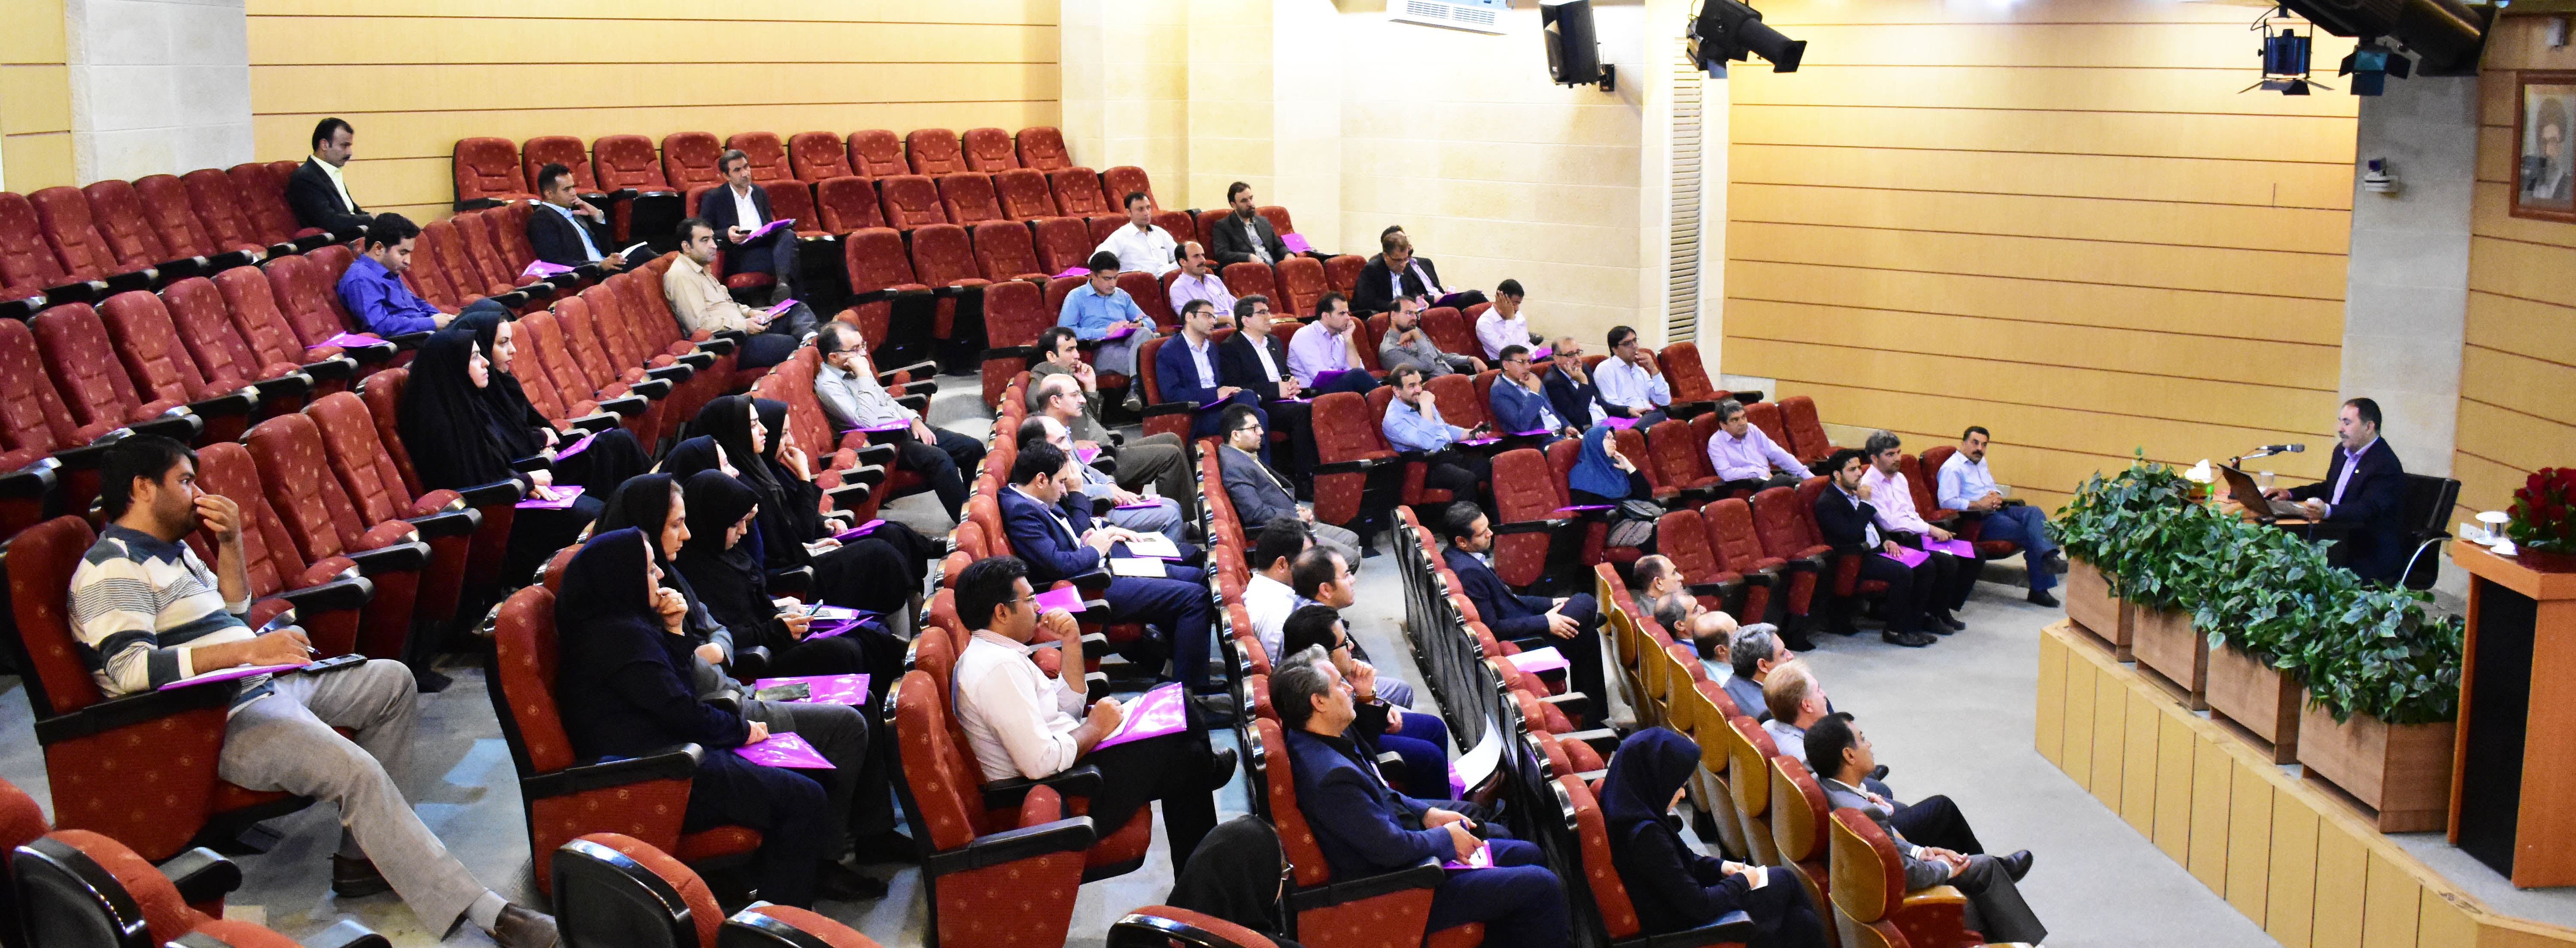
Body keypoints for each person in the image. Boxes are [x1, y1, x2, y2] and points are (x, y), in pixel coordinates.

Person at [68, 436, 558, 948]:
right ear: (143, 488)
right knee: (357, 772)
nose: (198, 495)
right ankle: (488, 912)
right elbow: (131, 669)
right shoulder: (113, 567)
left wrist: (231, 544)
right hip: (213, 722)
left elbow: (233, 618)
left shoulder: (175, 551)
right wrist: (248, 652)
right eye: (185, 481)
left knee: (391, 683)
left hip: (260, 685)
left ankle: (363, 860)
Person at [595, 478, 901, 888]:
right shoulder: (636, 595)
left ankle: (872, 833)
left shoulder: (666, 576)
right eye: (676, 525)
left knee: (861, 699)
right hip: (729, 705)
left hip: (738, 691)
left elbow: (718, 630)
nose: (687, 534)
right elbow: (679, 686)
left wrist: (712, 648)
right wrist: (691, 644)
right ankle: (824, 861)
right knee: (847, 723)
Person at [553, 530, 861, 908]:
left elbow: (676, 691)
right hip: (659, 770)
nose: (661, 575)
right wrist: (741, 730)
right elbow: (681, 710)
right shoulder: (618, 639)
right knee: (804, 797)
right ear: (622, 579)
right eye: (649, 570)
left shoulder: (621, 624)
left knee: (807, 779)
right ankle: (781, 923)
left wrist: (675, 630)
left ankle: (769, 897)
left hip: (674, 749)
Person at [950, 556, 1232, 872]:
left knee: (1188, 756)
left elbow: (1064, 710)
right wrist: (1096, 728)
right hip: (1064, 793)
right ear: (1001, 612)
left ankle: (1200, 882)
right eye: (1030, 600)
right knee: (1180, 705)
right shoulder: (997, 668)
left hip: (1069, 767)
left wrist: (1072, 642)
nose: (1039, 607)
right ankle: (1210, 774)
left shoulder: (1001, 653)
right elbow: (1040, 762)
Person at [1273, 648, 1568, 948]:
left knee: (1526, 854)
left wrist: (1428, 814)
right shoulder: (1330, 778)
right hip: (1399, 888)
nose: (1349, 688)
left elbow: (1382, 791)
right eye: (1340, 685)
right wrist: (1446, 839)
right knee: (1542, 886)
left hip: (1406, 857)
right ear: (1319, 702)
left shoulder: (1320, 738)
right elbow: (1391, 849)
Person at [662, 397, 937, 618]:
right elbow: (774, 552)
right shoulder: (738, 492)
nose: (765, 431)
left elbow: (791, 534)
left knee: (890, 534)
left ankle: (923, 600)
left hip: (800, 559)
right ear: (735, 432)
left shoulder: (759, 468)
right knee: (880, 555)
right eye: (755, 425)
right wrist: (805, 480)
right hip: (793, 579)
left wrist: (818, 531)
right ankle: (915, 628)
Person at [998, 442, 1221, 704]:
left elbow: (1072, 530)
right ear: (1040, 480)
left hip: (1097, 566)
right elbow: (1057, 565)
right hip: (1087, 586)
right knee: (1194, 599)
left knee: (1197, 578)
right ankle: (1190, 698)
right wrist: (1095, 550)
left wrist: (1096, 533)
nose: (1065, 490)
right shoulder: (1021, 512)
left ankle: (1177, 672)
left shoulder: (1035, 497)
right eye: (1061, 482)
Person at [1807, 715, 2044, 944]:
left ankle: (2015, 939)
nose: (1869, 745)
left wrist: (1921, 851)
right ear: (1849, 755)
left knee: (1984, 868)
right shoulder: (1866, 813)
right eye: (1862, 739)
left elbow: (1886, 845)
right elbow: (1903, 874)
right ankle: (2024, 943)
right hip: (1897, 904)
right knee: (1983, 882)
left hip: (1864, 892)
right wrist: (1944, 867)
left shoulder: (1824, 785)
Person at [398, 328, 608, 582]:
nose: (485, 362)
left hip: (510, 500)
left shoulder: (468, 404)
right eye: (475, 357)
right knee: (593, 516)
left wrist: (523, 481)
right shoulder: (438, 425)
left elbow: (492, 467)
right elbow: (469, 486)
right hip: (494, 523)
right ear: (452, 367)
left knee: (597, 508)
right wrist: (524, 481)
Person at [1600, 728, 1823, 947]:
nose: (1683, 794)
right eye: (1678, 786)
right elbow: (1699, 905)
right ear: (1656, 781)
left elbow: (1679, 863)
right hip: (1682, 929)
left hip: (1677, 909)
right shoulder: (1646, 835)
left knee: (1801, 922)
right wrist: (1742, 881)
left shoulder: (1628, 806)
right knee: (1785, 880)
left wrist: (1722, 867)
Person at [1758, 661, 1988, 857]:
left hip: (1845, 812)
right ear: (1807, 705)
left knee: (1889, 795)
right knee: (1942, 809)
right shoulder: (1808, 757)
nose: (1824, 694)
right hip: (1861, 830)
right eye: (1818, 691)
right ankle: (1979, 867)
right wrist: (1871, 801)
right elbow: (1837, 796)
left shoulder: (1769, 726)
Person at [447, 306, 652, 523]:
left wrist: (540, 439)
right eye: (503, 343)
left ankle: (659, 508)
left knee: (619, 440)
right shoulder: (471, 401)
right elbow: (503, 451)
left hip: (539, 465)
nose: (513, 350)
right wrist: (538, 441)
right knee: (597, 500)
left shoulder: (504, 383)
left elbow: (529, 428)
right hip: (524, 479)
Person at [1439, 505, 1605, 722]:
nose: (1491, 534)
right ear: (1462, 541)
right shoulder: (1468, 572)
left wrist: (1550, 603)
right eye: (1483, 533)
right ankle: (1593, 719)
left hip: (1525, 625)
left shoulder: (1456, 556)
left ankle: (1592, 720)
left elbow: (1509, 599)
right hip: (1526, 645)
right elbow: (1493, 628)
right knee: (1586, 602)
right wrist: (1546, 622)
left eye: (1488, 527)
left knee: (1587, 635)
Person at [813, 320, 979, 522]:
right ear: (834, 356)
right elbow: (867, 423)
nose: (863, 354)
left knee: (973, 448)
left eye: (863, 346)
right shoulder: (829, 386)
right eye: (855, 349)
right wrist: (864, 375)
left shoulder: (855, 366)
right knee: (940, 460)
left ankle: (979, 508)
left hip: (902, 427)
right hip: (882, 442)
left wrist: (914, 419)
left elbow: (887, 401)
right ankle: (970, 523)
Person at [1281, 605, 1449, 798]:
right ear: (1323, 654)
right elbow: (1358, 742)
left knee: (1434, 728)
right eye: (1345, 643)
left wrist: (1372, 700)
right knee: (1429, 757)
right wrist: (1367, 698)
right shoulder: (1315, 692)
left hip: (1356, 728)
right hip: (1349, 744)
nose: (1352, 646)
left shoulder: (1317, 673)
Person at [2266, 397, 2409, 583]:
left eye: (2347, 423)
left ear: (2369, 427)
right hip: (2336, 538)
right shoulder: (2342, 453)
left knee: (2297, 568)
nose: (2340, 429)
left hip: (2366, 551)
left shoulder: (2385, 464)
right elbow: (2330, 488)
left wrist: (2327, 511)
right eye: (2340, 421)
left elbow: (2366, 510)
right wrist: (2291, 494)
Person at [1814, 448, 1940, 648]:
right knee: (1903, 573)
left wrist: (1886, 540)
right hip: (1856, 558)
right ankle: (1895, 630)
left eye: (1859, 468)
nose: (1859, 474)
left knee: (1927, 566)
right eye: (1852, 470)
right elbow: (1852, 533)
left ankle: (1913, 626)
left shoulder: (1855, 492)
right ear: (1837, 475)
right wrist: (1865, 502)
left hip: (1877, 549)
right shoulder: (1828, 502)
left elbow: (1873, 523)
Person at [1937, 426, 2068, 607]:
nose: (1980, 449)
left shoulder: (1980, 462)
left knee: (2034, 512)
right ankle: (2040, 588)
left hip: (1996, 510)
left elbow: (1991, 486)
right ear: (1963, 443)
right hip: (1977, 520)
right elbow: (1947, 502)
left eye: (1984, 445)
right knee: (2030, 533)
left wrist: (1996, 496)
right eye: (1975, 443)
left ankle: (2049, 558)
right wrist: (1978, 504)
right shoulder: (1952, 469)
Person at [1218, 404, 1364, 565]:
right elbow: (1256, 513)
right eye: (1254, 428)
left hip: (1290, 521)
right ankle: (1315, 580)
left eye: (1259, 426)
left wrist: (1296, 510)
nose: (1261, 432)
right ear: (1236, 435)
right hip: (1282, 535)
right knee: (1350, 558)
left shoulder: (1243, 455)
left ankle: (1326, 579)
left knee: (1350, 539)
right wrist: (1295, 516)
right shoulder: (1235, 466)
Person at [666, 218, 818, 370]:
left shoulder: (702, 267)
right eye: (705, 241)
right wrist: (743, 325)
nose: (714, 245)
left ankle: (814, 344)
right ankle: (817, 355)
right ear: (686, 246)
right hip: (731, 343)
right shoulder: (682, 275)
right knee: (792, 345)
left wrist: (750, 312)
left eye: (712, 239)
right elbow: (700, 327)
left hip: (745, 328)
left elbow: (729, 304)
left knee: (797, 309)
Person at [1860, 431, 1975, 632]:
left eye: (1899, 453)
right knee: (1942, 563)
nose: (1897, 459)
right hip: (1896, 539)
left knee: (1971, 555)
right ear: (1875, 459)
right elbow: (1889, 523)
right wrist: (1929, 529)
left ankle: (1940, 612)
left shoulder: (1900, 478)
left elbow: (1911, 513)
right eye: (1890, 455)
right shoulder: (1869, 484)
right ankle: (1924, 617)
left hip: (1915, 534)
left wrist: (1928, 531)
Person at [1028, 365, 1193, 501]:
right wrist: (1109, 489)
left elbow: (1090, 422)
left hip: (1108, 449)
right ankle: (1184, 519)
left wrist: (1091, 387)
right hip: (1104, 460)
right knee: (1170, 455)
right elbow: (1077, 480)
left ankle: (1191, 507)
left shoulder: (1067, 407)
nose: (1082, 400)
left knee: (1172, 438)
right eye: (1075, 395)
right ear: (1056, 401)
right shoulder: (1050, 434)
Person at [1019, 414, 1189, 545]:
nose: (1069, 446)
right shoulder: (1046, 474)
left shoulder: (1060, 450)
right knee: (1171, 515)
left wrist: (1111, 485)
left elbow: (1087, 469)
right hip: (1098, 507)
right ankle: (1169, 567)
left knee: (1173, 505)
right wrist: (1109, 493)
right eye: (1061, 440)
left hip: (1102, 495)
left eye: (1066, 438)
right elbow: (1072, 495)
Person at [1290, 546, 1416, 711]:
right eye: (1346, 576)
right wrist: (1371, 700)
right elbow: (1334, 690)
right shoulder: (1316, 625)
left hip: (1339, 688)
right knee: (1425, 721)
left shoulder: (1309, 609)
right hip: (1332, 705)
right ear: (1326, 589)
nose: (1353, 580)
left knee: (1401, 690)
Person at [337, 213, 496, 336]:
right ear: (379, 248)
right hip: (413, 341)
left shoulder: (388, 271)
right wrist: (431, 323)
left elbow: (416, 304)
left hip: (427, 333)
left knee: (488, 310)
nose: (408, 261)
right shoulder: (361, 278)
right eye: (403, 253)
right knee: (488, 317)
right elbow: (379, 326)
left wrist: (443, 318)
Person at [1217, 295, 1316, 483]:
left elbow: (1283, 374)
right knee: (1303, 412)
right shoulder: (1231, 347)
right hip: (1260, 403)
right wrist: (1275, 390)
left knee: (1319, 407)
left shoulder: (1274, 342)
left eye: (1268, 312)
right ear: (1246, 320)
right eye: (1262, 313)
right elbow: (1237, 388)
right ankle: (1305, 480)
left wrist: (1291, 384)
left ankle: (1325, 472)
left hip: (1285, 400)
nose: (1269, 317)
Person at [1379, 364, 1491, 511]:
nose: (1419, 390)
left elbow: (1443, 429)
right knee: (1467, 479)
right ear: (1397, 391)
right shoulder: (1394, 419)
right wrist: (1426, 406)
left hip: (1451, 455)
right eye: (1412, 386)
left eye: (1420, 384)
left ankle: (1498, 523)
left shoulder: (1420, 402)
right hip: (1426, 466)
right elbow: (1427, 443)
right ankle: (1462, 525)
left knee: (1492, 467)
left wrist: (1471, 433)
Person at [1058, 252, 1158, 410]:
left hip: (1129, 342)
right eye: (1107, 279)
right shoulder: (1076, 297)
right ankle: (1141, 392)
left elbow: (1150, 323)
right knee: (1150, 360)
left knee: (1145, 333)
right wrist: (1104, 331)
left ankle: (1135, 391)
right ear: (1093, 275)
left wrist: (1138, 324)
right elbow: (1065, 333)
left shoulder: (1122, 296)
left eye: (1116, 278)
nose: (1113, 284)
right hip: (1102, 350)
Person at [694, 149, 797, 302]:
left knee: (788, 235)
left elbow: (767, 224)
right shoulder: (714, 197)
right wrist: (727, 234)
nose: (745, 173)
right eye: (737, 170)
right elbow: (702, 233)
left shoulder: (759, 192)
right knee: (791, 259)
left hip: (764, 244)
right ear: (726, 176)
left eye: (746, 167)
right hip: (738, 252)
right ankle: (791, 298)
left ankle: (783, 286)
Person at [1154, 298, 1262, 438]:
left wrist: (1230, 391)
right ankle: (1254, 451)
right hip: (1197, 414)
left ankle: (1251, 450)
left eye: (1214, 317)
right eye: (1208, 316)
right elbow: (1173, 395)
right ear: (1189, 317)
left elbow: (1221, 381)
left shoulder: (1211, 348)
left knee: (1247, 396)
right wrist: (1214, 395)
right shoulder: (1170, 351)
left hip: (1220, 407)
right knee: (1256, 418)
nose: (1213, 322)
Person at [1567, 423, 1658, 553]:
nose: (1614, 441)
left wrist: (1629, 467)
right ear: (1595, 444)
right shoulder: (1581, 473)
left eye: (1613, 438)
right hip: (1612, 527)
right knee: (1659, 533)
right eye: (1607, 438)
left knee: (1674, 522)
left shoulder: (1616, 467)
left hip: (1637, 516)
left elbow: (1645, 495)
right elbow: (1585, 510)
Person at [526, 162, 628, 272]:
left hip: (605, 267)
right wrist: (599, 266)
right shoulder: (542, 220)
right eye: (567, 189)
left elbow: (607, 249)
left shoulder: (576, 211)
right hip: (590, 274)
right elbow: (555, 262)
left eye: (573, 187)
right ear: (549, 194)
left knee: (640, 256)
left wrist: (597, 216)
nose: (574, 193)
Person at [1355, 228, 1481, 315]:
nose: (1403, 264)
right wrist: (1400, 307)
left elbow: (1411, 292)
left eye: (1405, 259)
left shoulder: (1406, 266)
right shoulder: (1373, 269)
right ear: (1386, 256)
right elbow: (1367, 303)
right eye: (1398, 260)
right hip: (1384, 314)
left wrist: (1418, 300)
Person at [1242, 517, 1313, 662]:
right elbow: (1295, 670)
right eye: (1308, 561)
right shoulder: (1279, 615)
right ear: (1282, 565)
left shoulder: (1262, 587)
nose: (1315, 567)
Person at [1705, 398, 1805, 495]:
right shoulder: (1716, 442)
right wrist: (1759, 472)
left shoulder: (1752, 430)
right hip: (1747, 487)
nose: (1743, 423)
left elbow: (1778, 454)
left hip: (1768, 482)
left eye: (1743, 417)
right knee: (1784, 481)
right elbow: (1726, 474)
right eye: (1735, 420)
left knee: (1803, 484)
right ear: (1723, 425)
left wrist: (1806, 474)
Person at [1286, 293, 1379, 396]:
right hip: (1312, 392)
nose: (1348, 318)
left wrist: (1348, 338)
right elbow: (1319, 376)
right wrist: (1350, 375)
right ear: (1326, 316)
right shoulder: (1305, 335)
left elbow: (1358, 368)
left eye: (1348, 313)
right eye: (1342, 313)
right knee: (1359, 377)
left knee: (1360, 378)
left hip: (1336, 387)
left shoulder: (1340, 338)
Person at [289, 117, 368, 235]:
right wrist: (371, 219)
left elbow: (351, 212)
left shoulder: (332, 172)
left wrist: (380, 219)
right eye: (344, 146)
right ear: (325, 145)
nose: (350, 153)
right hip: (337, 240)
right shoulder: (305, 178)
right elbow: (330, 221)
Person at [1378, 295, 1482, 377]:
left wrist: (1471, 359)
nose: (1415, 318)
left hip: (1451, 377)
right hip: (1432, 389)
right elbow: (1428, 366)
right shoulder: (1390, 350)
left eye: (1416, 314)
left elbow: (1440, 356)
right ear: (1393, 316)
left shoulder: (1414, 330)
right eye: (1409, 313)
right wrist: (1417, 337)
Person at [1489, 345, 1575, 443]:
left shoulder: (1532, 378)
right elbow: (1521, 425)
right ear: (1506, 365)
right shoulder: (1500, 391)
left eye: (1529, 362)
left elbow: (1550, 408)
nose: (1528, 367)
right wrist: (1534, 393)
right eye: (1522, 362)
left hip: (1561, 435)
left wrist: (1567, 426)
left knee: (1588, 438)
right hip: (1540, 442)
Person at [1596, 325, 1671, 425]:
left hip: (1649, 416)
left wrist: (1654, 369)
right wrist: (1632, 411)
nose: (1635, 346)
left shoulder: (1640, 371)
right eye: (1628, 344)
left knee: (1677, 427)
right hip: (1625, 419)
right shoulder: (1606, 369)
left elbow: (1664, 401)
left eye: (1635, 341)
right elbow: (1611, 404)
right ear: (1615, 350)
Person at [1094, 190, 1179, 276]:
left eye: (1148, 208)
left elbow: (1179, 256)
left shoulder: (1160, 232)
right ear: (1128, 213)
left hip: (1167, 279)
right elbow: (1098, 259)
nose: (1147, 213)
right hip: (1142, 281)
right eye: (1141, 209)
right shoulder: (1121, 236)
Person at [1542, 337, 1619, 429]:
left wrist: (1627, 410)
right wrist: (1583, 383)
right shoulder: (1553, 383)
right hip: (1589, 429)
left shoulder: (1584, 368)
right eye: (1571, 355)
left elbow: (1601, 403)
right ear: (1557, 359)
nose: (1577, 358)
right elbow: (1577, 419)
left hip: (1608, 421)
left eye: (1578, 353)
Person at [1208, 181, 1288, 267]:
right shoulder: (1223, 226)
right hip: (1249, 270)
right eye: (1244, 201)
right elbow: (1222, 255)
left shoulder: (1263, 222)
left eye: (1251, 198)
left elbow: (1279, 246)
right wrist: (1248, 257)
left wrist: (1288, 254)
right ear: (1234, 205)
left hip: (1273, 268)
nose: (1250, 204)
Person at [1725, 623, 1787, 717]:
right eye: (1783, 653)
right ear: (1763, 665)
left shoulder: (1729, 686)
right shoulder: (1772, 712)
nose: (1791, 656)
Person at [1166, 240, 1236, 316]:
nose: (1203, 260)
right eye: (1196, 256)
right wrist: (1228, 319)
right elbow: (1192, 318)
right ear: (1183, 262)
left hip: (1236, 321)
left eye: (1203, 255)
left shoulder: (1215, 280)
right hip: (1217, 324)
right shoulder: (1179, 288)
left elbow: (1234, 306)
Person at [1474, 280, 1537, 361]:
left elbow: (1525, 343)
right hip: (1511, 363)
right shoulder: (1484, 323)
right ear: (1500, 300)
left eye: (1519, 304)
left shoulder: (1517, 314)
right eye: (1514, 304)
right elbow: (1510, 353)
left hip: (1531, 356)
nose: (1517, 309)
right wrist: (1510, 320)